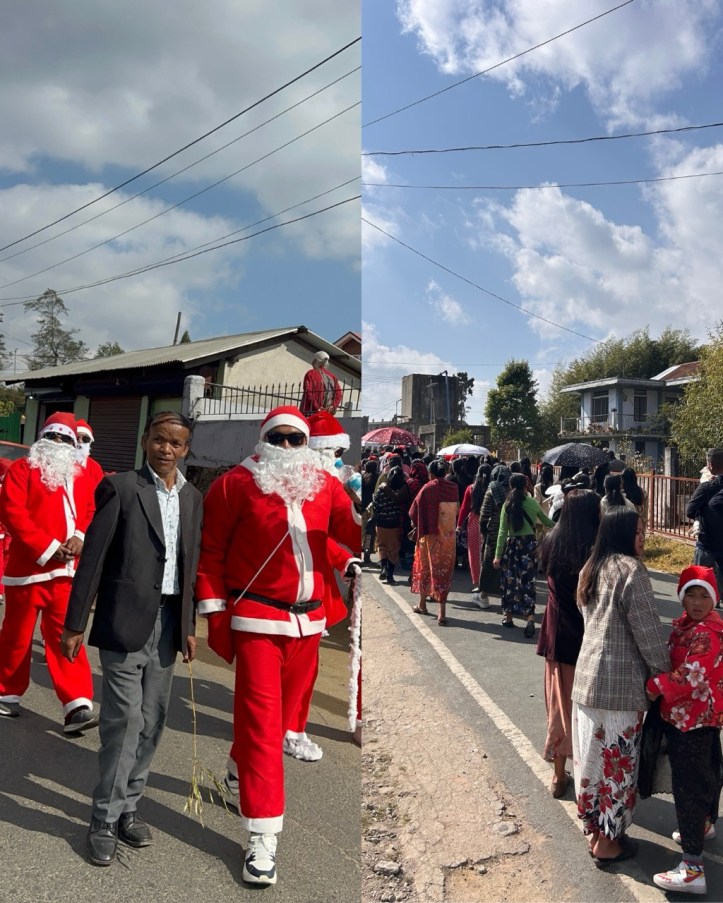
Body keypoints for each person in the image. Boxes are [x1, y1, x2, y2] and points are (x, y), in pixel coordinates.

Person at [195, 405, 359, 886]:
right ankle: (262, 835)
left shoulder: (322, 484)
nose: (288, 447)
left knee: (280, 717)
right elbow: (211, 552)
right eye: (280, 437)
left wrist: (349, 551)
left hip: (309, 623)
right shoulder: (234, 485)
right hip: (257, 621)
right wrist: (212, 611)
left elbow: (329, 537)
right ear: (264, 439)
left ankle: (233, 768)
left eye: (297, 440)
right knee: (267, 727)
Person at [60, 411, 202, 867]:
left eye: (176, 443)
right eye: (159, 439)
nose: (166, 449)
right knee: (124, 720)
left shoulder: (194, 497)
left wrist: (189, 626)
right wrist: (75, 622)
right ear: (145, 440)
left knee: (155, 719)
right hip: (124, 621)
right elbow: (94, 558)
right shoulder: (121, 488)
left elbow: (189, 565)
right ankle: (103, 817)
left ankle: (128, 808)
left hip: (168, 626)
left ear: (186, 449)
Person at [571, 507, 669, 866]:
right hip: (621, 690)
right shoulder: (631, 571)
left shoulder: (590, 568)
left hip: (586, 684)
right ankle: (609, 843)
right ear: (623, 533)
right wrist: (664, 673)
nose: (643, 538)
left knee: (592, 766)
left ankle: (595, 832)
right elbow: (647, 632)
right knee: (618, 766)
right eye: (640, 531)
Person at [0, 413, 98, 732]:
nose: (57, 443)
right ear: (41, 438)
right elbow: (13, 512)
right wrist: (46, 547)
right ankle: (7, 693)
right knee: (17, 636)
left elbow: (91, 509)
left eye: (64, 438)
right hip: (27, 572)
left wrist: (80, 536)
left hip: (67, 573)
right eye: (52, 437)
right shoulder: (21, 469)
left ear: (73, 443)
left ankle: (77, 703)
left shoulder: (84, 473)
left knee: (66, 636)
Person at [646, 565, 723, 896]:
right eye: (690, 594)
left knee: (688, 786)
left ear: (714, 599)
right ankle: (704, 824)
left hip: (691, 721)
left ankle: (692, 869)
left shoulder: (706, 633)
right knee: (706, 774)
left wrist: (657, 685)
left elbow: (693, 674)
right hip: (699, 719)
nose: (696, 601)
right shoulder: (687, 627)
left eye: (703, 595)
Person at [536, 490, 600, 797]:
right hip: (586, 637)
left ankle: (559, 777)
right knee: (585, 712)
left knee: (558, 708)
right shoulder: (595, 549)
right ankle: (586, 778)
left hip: (556, 636)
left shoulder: (551, 540)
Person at [493, 473, 554, 636]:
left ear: (511, 486)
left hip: (512, 546)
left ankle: (509, 617)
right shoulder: (532, 503)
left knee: (510, 581)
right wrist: (561, 524)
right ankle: (530, 618)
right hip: (529, 547)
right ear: (526, 485)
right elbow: (546, 522)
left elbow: (502, 532)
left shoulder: (507, 504)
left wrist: (497, 555)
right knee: (528, 582)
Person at [409, 459, 459, 625]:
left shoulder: (428, 488)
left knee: (424, 568)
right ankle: (442, 612)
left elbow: (414, 511)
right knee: (443, 572)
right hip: (449, 538)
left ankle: (422, 604)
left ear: (431, 473)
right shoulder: (453, 488)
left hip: (429, 536)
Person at [686, 448, 723, 605]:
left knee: (699, 583)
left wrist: (703, 513)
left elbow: (690, 511)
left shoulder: (707, 487)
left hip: (706, 542)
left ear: (710, 465)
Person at [477, 464, 511, 608]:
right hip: (511, 533)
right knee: (507, 567)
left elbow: (484, 516)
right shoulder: (513, 490)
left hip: (494, 533)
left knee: (488, 565)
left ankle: (483, 597)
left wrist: (483, 531)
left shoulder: (491, 490)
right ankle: (507, 600)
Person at [459, 464, 490, 608]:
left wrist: (459, 525)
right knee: (487, 556)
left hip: (474, 522)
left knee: (475, 555)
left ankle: (478, 586)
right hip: (490, 524)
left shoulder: (470, 488)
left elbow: (464, 508)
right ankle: (486, 589)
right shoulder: (493, 489)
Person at [372, 466, 406, 586]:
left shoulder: (381, 489)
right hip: (394, 523)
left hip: (381, 523)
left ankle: (383, 568)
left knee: (382, 547)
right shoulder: (401, 491)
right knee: (393, 550)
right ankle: (390, 575)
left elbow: (375, 505)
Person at [300, 350, 342, 416]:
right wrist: (333, 406)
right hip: (328, 413)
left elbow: (308, 393)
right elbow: (338, 394)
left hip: (310, 412)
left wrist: (318, 407)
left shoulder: (311, 373)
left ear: (316, 361)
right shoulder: (332, 377)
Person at [75, 418, 105, 488]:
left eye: (85, 439)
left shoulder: (95, 468)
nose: (80, 441)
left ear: (90, 442)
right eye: (77, 437)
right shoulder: (61, 464)